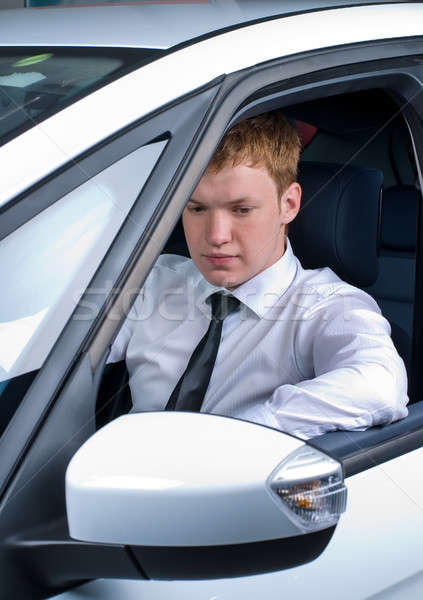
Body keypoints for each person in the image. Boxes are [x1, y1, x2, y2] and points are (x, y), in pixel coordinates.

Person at [108, 111, 408, 439]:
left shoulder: (325, 307)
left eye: (241, 210)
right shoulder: (153, 281)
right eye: (197, 209)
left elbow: (379, 385)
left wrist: (243, 435)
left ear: (289, 204)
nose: (216, 236)